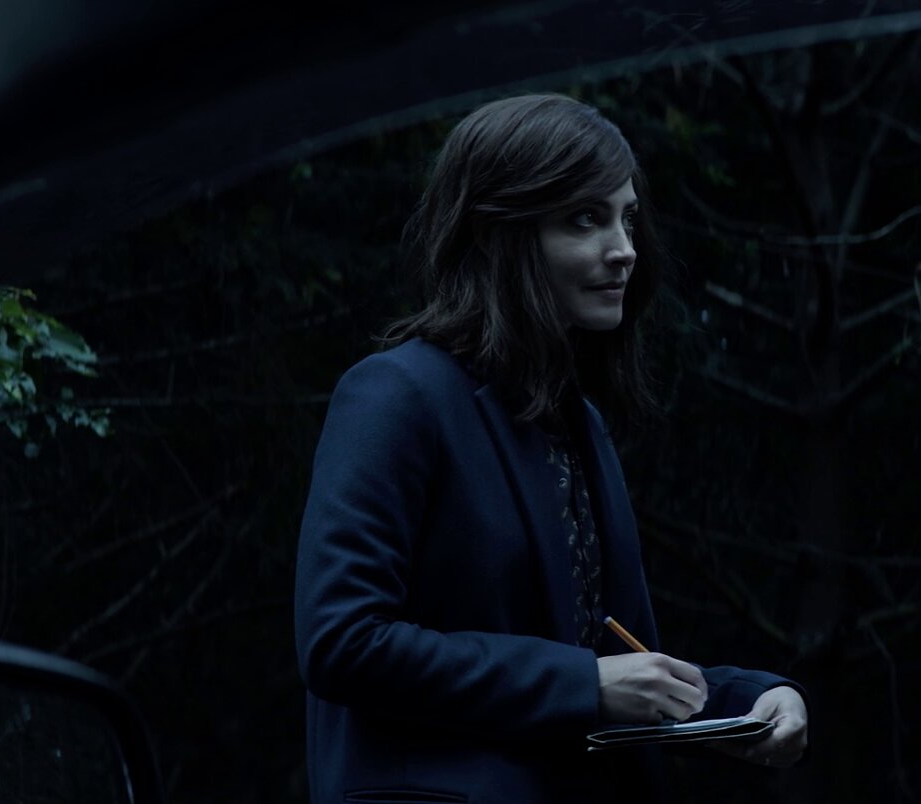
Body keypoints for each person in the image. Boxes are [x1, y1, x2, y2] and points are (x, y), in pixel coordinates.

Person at [294, 93, 808, 804]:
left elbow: (617, 662)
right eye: (584, 219)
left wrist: (747, 700)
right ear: (496, 235)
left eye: (628, 217)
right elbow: (343, 642)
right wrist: (584, 683)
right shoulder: (395, 395)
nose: (624, 249)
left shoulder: (577, 423)